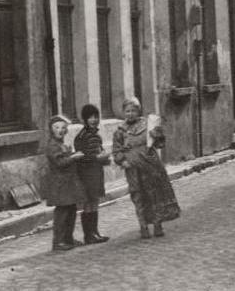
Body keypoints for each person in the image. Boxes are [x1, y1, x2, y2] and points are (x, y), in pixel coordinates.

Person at [112, 97, 180, 239]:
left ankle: (157, 224)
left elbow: (159, 144)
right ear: (123, 112)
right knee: (138, 195)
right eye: (127, 111)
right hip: (133, 168)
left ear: (138, 111)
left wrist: (158, 135)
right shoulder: (120, 131)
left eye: (133, 110)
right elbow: (116, 151)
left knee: (153, 194)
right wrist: (122, 161)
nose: (130, 114)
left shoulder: (147, 125)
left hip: (150, 165)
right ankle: (143, 226)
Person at [43, 115, 86, 251]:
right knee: (62, 212)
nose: (60, 130)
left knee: (71, 210)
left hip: (68, 183)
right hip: (59, 184)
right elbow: (59, 162)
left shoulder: (61, 144)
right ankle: (58, 242)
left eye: (63, 128)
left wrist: (72, 154)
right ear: (51, 130)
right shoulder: (52, 145)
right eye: (56, 128)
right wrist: (73, 157)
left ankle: (68, 238)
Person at [73, 104, 110, 244]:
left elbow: (98, 151)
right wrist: (97, 158)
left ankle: (95, 232)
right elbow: (81, 157)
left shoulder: (97, 136)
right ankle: (88, 235)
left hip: (96, 173)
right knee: (88, 203)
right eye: (91, 117)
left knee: (95, 202)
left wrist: (105, 159)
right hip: (86, 174)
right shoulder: (82, 136)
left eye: (96, 117)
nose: (94, 120)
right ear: (85, 119)